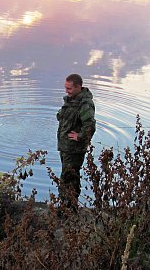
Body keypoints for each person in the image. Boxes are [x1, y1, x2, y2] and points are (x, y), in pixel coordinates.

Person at [56, 74, 96, 211]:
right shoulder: (71, 100)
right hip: (66, 147)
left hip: (74, 149)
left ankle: (67, 208)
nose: (66, 91)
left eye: (69, 88)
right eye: (65, 88)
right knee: (70, 177)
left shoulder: (85, 104)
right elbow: (62, 116)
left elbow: (90, 124)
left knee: (68, 177)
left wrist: (80, 136)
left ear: (78, 87)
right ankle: (70, 206)